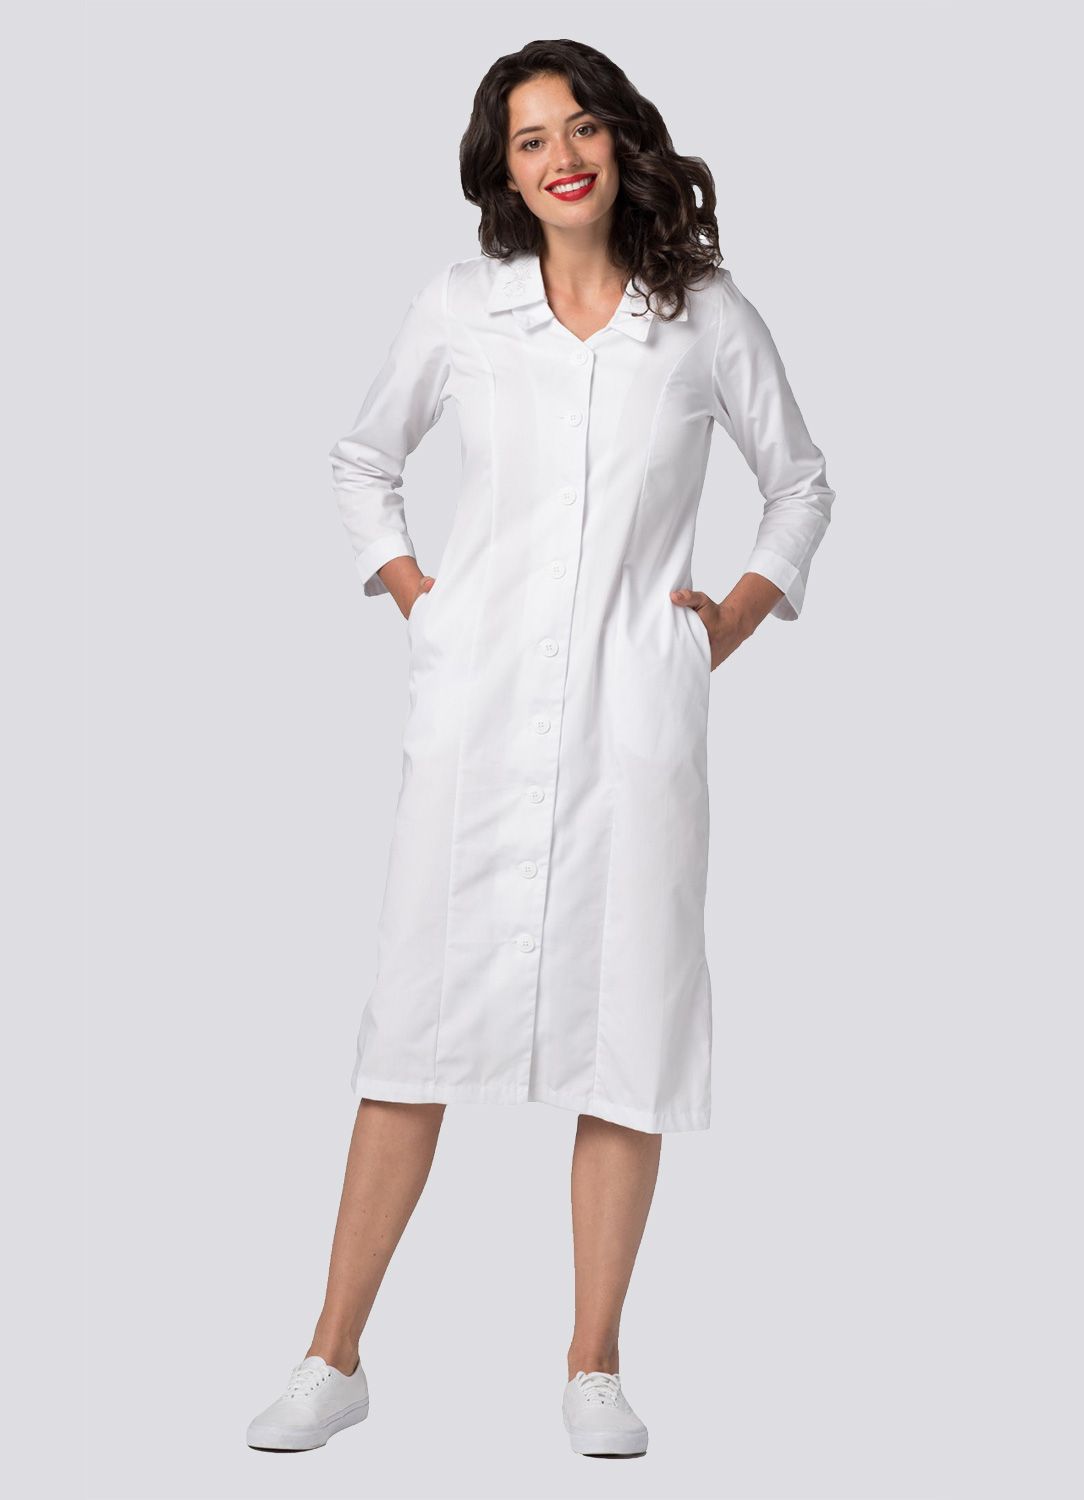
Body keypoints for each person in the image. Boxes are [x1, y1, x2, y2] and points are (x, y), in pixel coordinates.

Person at [246, 38, 835, 1459]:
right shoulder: (464, 308)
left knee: (628, 1038)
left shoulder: (702, 317)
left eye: (581, 126)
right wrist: (420, 597)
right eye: (530, 138)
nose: (561, 155)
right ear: (502, 170)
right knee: (411, 1031)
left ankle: (594, 1363)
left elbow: (802, 485)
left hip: (635, 726)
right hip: (474, 723)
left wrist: (724, 624)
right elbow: (362, 459)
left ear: (623, 141)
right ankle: (333, 1355)